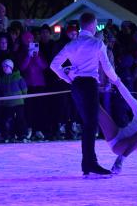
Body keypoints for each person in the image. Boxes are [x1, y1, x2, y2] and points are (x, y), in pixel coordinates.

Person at [51, 12, 119, 176]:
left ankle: (87, 163)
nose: (96, 27)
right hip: (89, 85)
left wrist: (68, 79)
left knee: (88, 123)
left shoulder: (72, 44)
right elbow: (107, 67)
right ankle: (90, 163)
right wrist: (117, 80)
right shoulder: (97, 44)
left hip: (77, 86)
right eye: (95, 24)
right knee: (90, 124)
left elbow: (54, 65)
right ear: (92, 24)